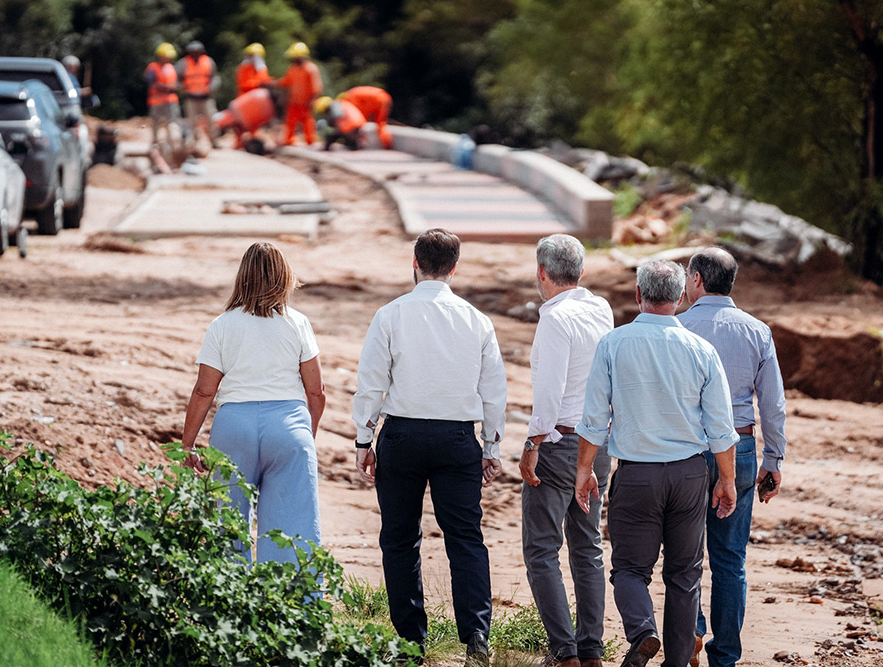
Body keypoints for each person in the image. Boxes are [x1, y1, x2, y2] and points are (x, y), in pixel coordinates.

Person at [352, 229, 507, 666]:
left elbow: (371, 385)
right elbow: (494, 391)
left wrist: (365, 440)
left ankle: (410, 643)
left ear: (414, 263)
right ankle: (476, 636)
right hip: (458, 440)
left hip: (401, 436)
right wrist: (491, 446)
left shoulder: (390, 314)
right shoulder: (477, 320)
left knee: (400, 538)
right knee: (466, 538)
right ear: (455, 268)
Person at [574, 259, 739, 667]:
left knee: (629, 569)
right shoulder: (701, 350)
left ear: (638, 295)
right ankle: (678, 662)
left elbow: (595, 419)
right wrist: (727, 479)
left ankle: (643, 630)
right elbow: (721, 425)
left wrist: (584, 471)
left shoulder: (614, 343)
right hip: (688, 474)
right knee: (684, 576)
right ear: (682, 298)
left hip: (636, 475)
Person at [181, 242, 325, 565]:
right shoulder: (298, 324)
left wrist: (188, 444)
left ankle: (232, 601)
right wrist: (306, 433)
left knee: (227, 522)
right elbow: (316, 392)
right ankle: (292, 603)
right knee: (292, 525)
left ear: (241, 278)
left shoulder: (222, 325)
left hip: (234, 427)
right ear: (285, 278)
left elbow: (204, 391)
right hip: (288, 425)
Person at [678, 247, 788, 667]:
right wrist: (773, 459)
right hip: (740, 451)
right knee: (730, 560)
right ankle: (725, 657)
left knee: (686, 556)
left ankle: (691, 631)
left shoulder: (679, 327)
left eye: (689, 278)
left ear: (698, 280)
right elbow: (773, 404)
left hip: (687, 450)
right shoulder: (757, 331)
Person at [519, 234, 614, 667]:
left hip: (559, 443)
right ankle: (591, 649)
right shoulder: (601, 310)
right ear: (581, 272)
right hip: (598, 442)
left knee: (541, 549)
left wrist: (531, 443)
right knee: (588, 546)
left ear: (542, 273)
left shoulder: (555, 319)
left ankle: (565, 653)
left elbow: (550, 392)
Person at [176, 41, 220, 149]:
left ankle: (214, 142)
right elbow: (175, 78)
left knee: (211, 120)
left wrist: (211, 88)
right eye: (192, 52)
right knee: (191, 122)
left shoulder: (208, 62)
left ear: (201, 52)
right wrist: (181, 87)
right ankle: (194, 143)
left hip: (205, 97)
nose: (194, 54)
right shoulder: (183, 63)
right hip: (191, 97)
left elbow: (215, 78)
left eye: (196, 52)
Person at [277, 42, 322, 146]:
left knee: (308, 123)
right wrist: (271, 82)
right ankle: (289, 140)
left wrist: (312, 100)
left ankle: (311, 142)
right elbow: (285, 81)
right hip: (294, 102)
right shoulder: (293, 69)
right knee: (290, 122)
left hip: (306, 102)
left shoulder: (311, 69)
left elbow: (316, 87)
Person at [144, 42, 180, 148]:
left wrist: (167, 87)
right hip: (156, 101)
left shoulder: (171, 68)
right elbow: (152, 84)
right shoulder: (152, 67)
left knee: (172, 124)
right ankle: (155, 145)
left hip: (170, 101)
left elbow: (177, 84)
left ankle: (173, 146)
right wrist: (167, 87)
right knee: (155, 124)